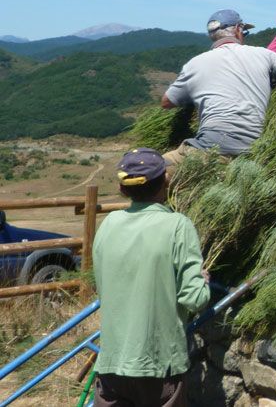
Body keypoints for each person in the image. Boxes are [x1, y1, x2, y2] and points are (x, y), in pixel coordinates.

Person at [92, 148, 209, 407]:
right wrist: (203, 281)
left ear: (123, 189)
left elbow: (102, 286)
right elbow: (195, 299)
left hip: (112, 362)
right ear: (166, 180)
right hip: (160, 364)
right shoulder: (178, 225)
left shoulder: (108, 224)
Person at [161, 10, 276, 167]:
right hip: (253, 148)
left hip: (210, 148)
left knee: (155, 167)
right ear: (238, 29)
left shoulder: (194, 64)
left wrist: (193, 91)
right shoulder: (264, 55)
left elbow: (166, 102)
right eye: (244, 31)